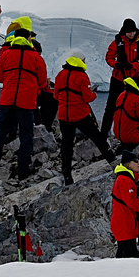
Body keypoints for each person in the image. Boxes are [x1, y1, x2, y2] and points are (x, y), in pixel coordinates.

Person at [0, 17, 48, 180]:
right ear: (28, 39)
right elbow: (43, 81)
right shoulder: (36, 57)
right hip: (26, 101)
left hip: (7, 98)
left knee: (0, 130)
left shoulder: (6, 54)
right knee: (26, 134)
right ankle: (23, 168)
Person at [51, 55, 111, 184]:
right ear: (80, 61)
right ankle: (113, 162)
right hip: (80, 115)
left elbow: (56, 96)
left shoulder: (60, 75)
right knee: (98, 138)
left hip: (64, 116)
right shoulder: (82, 76)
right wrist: (94, 94)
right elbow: (87, 97)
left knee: (67, 145)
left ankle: (67, 174)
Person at [110, 148, 139, 258]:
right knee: (130, 259)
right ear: (128, 163)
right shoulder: (124, 180)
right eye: (135, 161)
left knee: (124, 256)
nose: (138, 163)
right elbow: (133, 203)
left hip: (125, 225)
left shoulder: (127, 178)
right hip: (125, 225)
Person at [107, 76, 139, 154]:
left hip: (118, 134)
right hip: (130, 136)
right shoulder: (137, 99)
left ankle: (122, 148)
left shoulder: (122, 95)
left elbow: (132, 100)